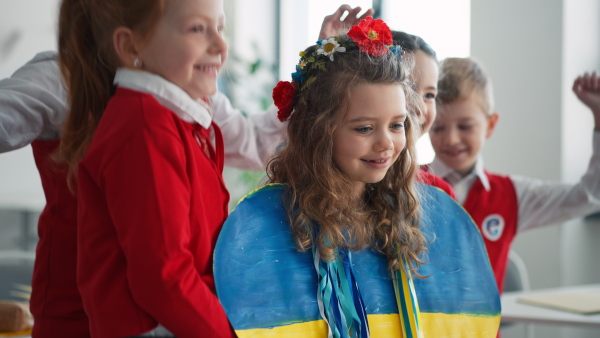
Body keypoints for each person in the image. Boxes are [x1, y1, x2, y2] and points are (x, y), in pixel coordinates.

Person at [0, 4, 371, 336]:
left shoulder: (186, 93)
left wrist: (316, 71)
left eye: (219, 28)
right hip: (87, 314)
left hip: (167, 316)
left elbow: (256, 140)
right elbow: (164, 277)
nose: (221, 46)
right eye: (198, 28)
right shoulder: (91, 94)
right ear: (128, 44)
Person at [214, 18, 501, 337]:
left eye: (396, 125)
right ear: (319, 132)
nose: (386, 144)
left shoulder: (419, 215)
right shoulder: (270, 227)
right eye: (364, 128)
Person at [428, 57, 600, 292]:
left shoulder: (511, 194)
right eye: (438, 127)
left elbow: (590, 196)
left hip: (486, 330)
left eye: (465, 126)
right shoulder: (407, 184)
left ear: (490, 125)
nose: (451, 139)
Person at [391, 31, 455, 198]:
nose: (420, 107)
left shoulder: (440, 193)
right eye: (407, 89)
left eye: (429, 95)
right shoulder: (342, 185)